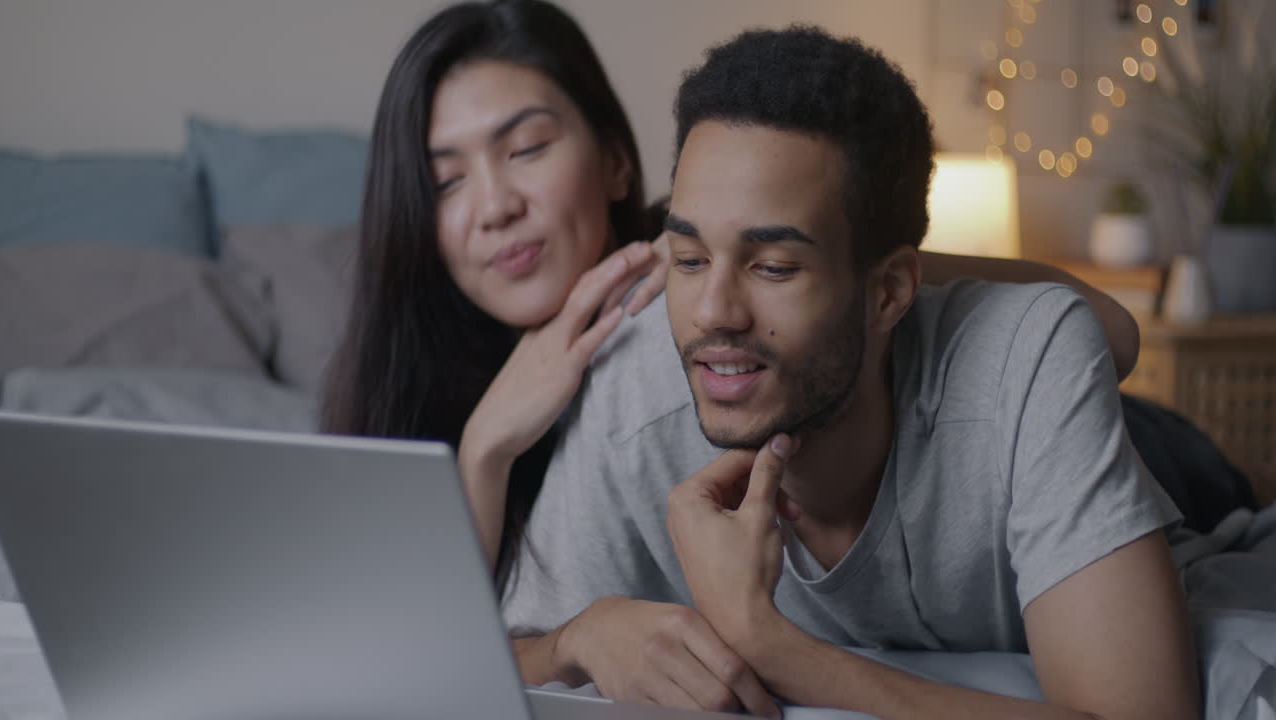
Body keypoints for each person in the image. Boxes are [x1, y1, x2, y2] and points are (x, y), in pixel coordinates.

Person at [321, 0, 1142, 593]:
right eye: (446, 180)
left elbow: (1113, 334)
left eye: (527, 147)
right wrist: (485, 451)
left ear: (614, 161)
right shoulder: (407, 384)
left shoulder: (710, 285)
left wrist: (836, 262)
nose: (495, 204)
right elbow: (425, 659)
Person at [502, 26, 1199, 720]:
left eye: (773, 266)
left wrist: (776, 650)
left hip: (1165, 462)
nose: (712, 313)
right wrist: (579, 638)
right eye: (687, 258)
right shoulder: (630, 381)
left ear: (891, 291)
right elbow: (511, 652)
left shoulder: (1029, 358)